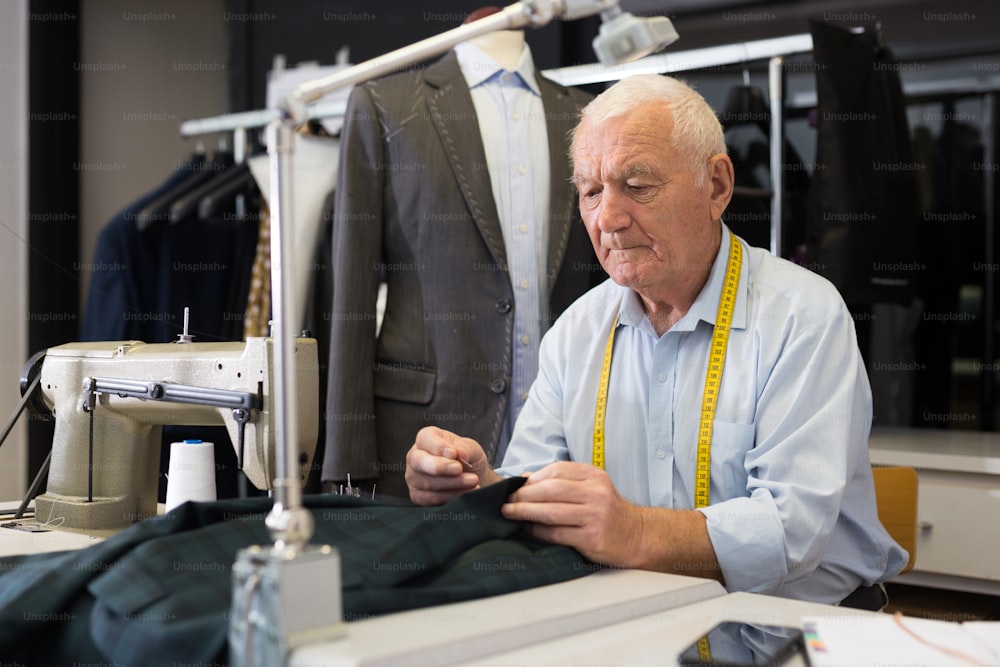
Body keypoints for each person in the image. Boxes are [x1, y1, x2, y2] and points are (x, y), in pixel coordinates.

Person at [405, 73, 909, 607]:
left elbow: (791, 532)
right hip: (639, 627)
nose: (609, 220)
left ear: (716, 186)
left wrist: (634, 533)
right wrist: (479, 487)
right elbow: (539, 489)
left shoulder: (803, 318)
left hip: (791, 633)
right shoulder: (575, 333)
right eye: (592, 192)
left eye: (638, 186)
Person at [322, 13, 604, 499]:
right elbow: (352, 297)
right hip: (424, 439)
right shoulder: (386, 106)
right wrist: (346, 468)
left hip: (564, 440)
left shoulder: (585, 114)